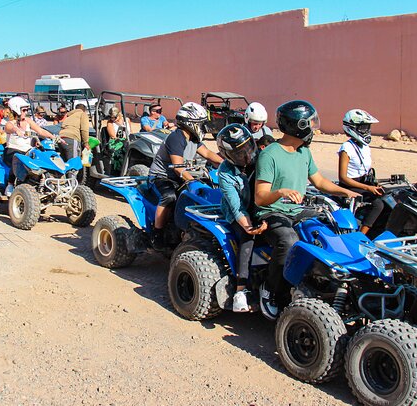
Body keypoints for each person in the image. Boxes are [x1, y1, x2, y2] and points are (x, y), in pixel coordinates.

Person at [254, 100, 359, 320]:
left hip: (297, 210)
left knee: (330, 227)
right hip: (273, 212)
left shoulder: (304, 153)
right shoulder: (270, 154)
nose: (314, 128)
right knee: (289, 241)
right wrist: (281, 192)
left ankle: (327, 283)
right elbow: (261, 197)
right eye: (310, 123)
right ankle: (271, 290)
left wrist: (346, 192)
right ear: (297, 125)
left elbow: (320, 181)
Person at [148, 102, 223, 250]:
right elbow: (178, 167)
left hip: (180, 178)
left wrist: (227, 164)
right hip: (161, 177)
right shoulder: (176, 138)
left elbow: (208, 154)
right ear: (191, 123)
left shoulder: (193, 139)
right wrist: (193, 180)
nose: (203, 127)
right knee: (169, 197)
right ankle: (157, 234)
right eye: (200, 124)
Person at [217, 124, 268, 312]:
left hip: (262, 207)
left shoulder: (263, 158)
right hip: (239, 212)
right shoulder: (225, 172)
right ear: (229, 156)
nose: (247, 156)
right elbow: (236, 207)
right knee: (248, 238)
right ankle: (241, 290)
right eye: (239, 154)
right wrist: (249, 227)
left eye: (248, 148)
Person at [338, 109, 385, 236]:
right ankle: (360, 236)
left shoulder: (365, 146)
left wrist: (373, 185)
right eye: (363, 127)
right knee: (378, 204)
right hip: (350, 185)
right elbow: (342, 177)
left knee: (389, 198)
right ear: (352, 128)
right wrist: (368, 188)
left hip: (364, 183)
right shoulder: (346, 148)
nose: (367, 131)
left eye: (367, 127)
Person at [3, 96, 59, 195]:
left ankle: (47, 183)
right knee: (17, 159)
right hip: (13, 151)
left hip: (28, 151)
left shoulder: (28, 121)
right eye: (24, 110)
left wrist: (53, 137)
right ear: (16, 109)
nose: (26, 112)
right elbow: (9, 128)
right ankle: (10, 185)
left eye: (27, 110)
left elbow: (40, 131)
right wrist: (17, 130)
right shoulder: (11, 123)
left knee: (43, 157)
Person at [106, 106, 130, 172]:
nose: (113, 119)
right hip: (116, 142)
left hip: (127, 140)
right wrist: (122, 139)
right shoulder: (110, 123)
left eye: (115, 117)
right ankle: (118, 170)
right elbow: (113, 136)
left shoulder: (127, 120)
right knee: (121, 151)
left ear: (119, 115)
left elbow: (131, 132)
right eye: (111, 117)